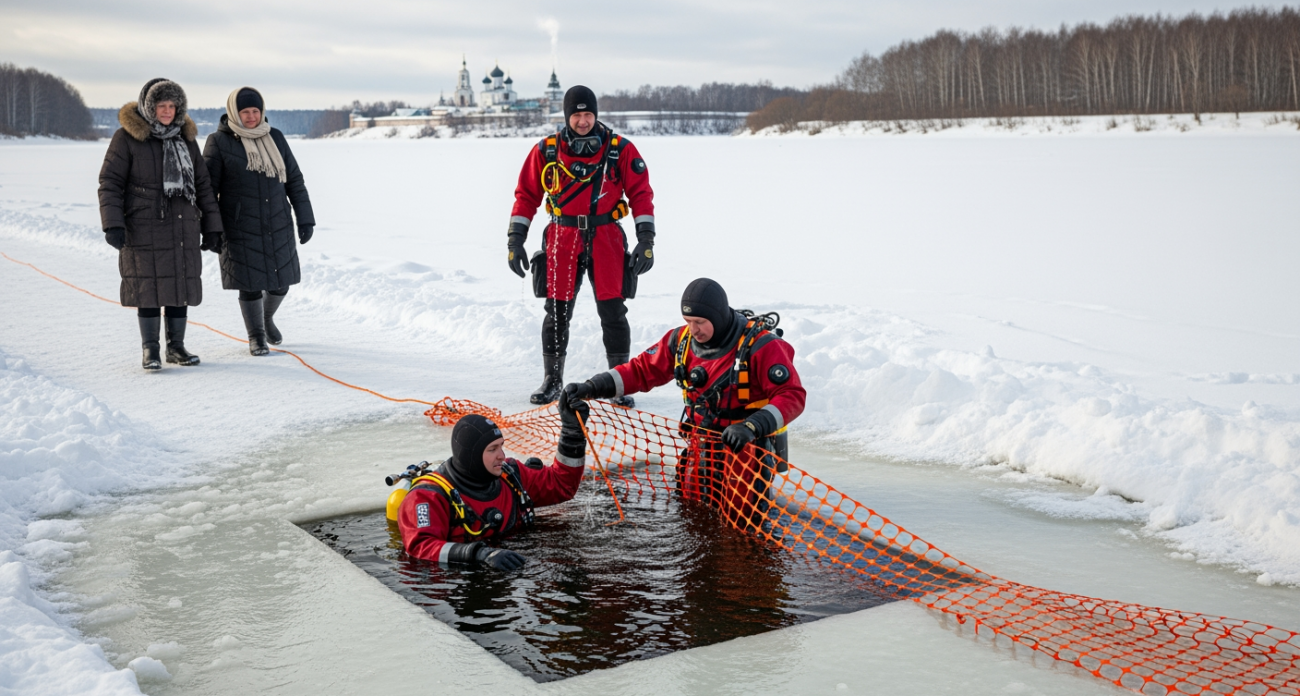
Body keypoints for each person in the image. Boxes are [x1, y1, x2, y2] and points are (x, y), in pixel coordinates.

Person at [564, 278, 806, 511]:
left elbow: (792, 395)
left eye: (700, 321)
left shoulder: (762, 346)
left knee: (741, 519)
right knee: (692, 508)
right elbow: (641, 370)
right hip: (700, 445)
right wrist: (592, 386)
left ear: (718, 317)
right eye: (688, 320)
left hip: (745, 449)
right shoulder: (680, 340)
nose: (694, 329)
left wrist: (752, 426)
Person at [507, 85, 656, 406]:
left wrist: (646, 240)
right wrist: (515, 239)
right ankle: (552, 380)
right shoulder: (546, 151)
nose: (584, 121)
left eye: (588, 114)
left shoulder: (620, 150)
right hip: (562, 237)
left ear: (596, 115)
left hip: (607, 239)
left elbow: (641, 194)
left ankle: (618, 382)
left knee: (614, 313)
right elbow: (526, 196)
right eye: (577, 115)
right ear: (567, 116)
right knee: (557, 313)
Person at [98, 78, 222, 370]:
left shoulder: (186, 140)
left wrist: (213, 227)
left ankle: (176, 348)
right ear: (148, 106)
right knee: (149, 287)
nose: (167, 111)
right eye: (160, 105)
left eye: (172, 105)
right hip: (144, 226)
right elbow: (110, 183)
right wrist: (112, 224)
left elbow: (202, 185)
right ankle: (150, 350)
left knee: (179, 286)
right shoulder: (126, 138)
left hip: (183, 225)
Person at [396, 392, 590, 569]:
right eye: (492, 449)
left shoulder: (512, 475)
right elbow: (420, 547)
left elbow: (562, 485)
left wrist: (572, 433)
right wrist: (478, 554)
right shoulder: (427, 496)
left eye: (501, 447)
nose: (502, 456)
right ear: (470, 455)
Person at [202, 87, 315, 356]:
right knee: (249, 283)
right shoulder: (218, 142)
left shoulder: (275, 136)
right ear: (234, 112)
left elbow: (294, 180)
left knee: (281, 281)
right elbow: (207, 191)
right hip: (239, 224)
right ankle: (256, 337)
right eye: (245, 112)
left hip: (277, 220)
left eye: (255, 111)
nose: (251, 117)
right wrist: (211, 229)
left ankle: (265, 319)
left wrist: (305, 218)